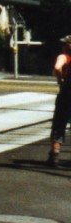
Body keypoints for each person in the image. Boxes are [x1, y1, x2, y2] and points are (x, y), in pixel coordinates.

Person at [48, 35, 71, 167]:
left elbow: (57, 67)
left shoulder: (64, 57)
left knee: (59, 123)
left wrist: (60, 79)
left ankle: (54, 155)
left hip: (66, 94)